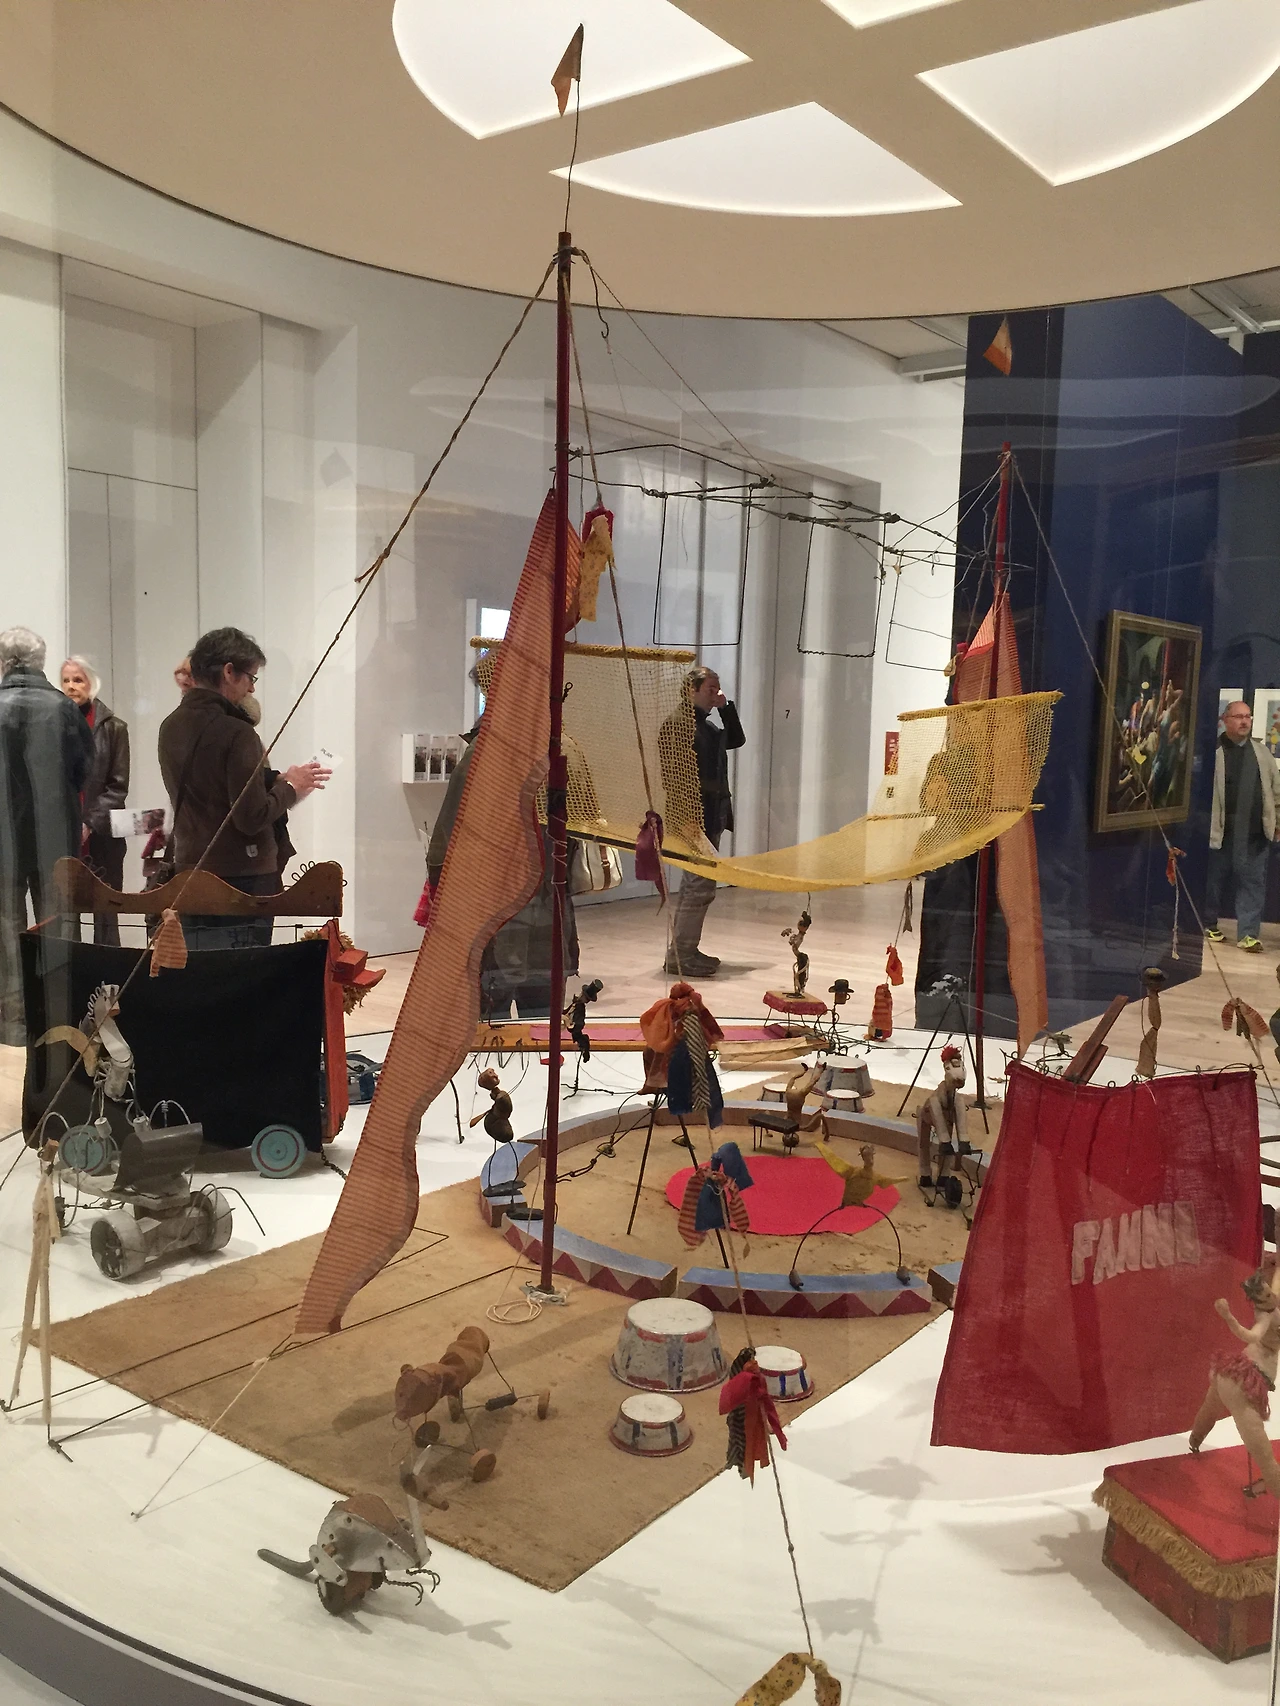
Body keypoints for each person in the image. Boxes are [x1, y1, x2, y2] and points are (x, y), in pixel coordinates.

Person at [157, 626, 329, 949]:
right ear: (228, 672)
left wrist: (271, 780)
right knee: (243, 972)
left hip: (190, 869)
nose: (251, 687)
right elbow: (251, 817)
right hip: (242, 878)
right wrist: (291, 787)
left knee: (199, 969)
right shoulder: (237, 732)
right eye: (250, 677)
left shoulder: (170, 726)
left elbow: (210, 785)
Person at [0, 627, 94, 1042]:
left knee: (7, 927)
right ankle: (58, 1015)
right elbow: (83, 771)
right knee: (58, 924)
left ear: (4, 662)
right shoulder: (64, 709)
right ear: (40, 662)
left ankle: (14, 1020)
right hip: (55, 837)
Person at [665, 665, 745, 976]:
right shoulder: (679, 725)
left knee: (696, 886)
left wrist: (726, 708)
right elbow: (674, 778)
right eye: (711, 689)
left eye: (717, 688)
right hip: (694, 818)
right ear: (692, 690)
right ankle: (682, 954)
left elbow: (735, 739)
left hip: (710, 815)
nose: (716, 694)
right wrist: (688, 819)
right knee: (699, 887)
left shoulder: (706, 726)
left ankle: (683, 950)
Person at [60, 655, 130, 945]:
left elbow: (118, 787)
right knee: (67, 915)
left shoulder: (115, 728)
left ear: (91, 683)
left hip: (103, 836)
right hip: (64, 833)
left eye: (78, 680)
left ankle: (110, 969)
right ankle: (74, 968)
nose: (71, 686)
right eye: (66, 680)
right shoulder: (54, 726)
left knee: (106, 916)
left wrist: (89, 823)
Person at [1206, 699, 1280, 952]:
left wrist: (1277, 821)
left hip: (1254, 834)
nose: (1244, 721)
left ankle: (1248, 935)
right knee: (1212, 882)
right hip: (1220, 833)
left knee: (1253, 885)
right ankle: (1208, 924)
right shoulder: (1213, 752)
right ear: (1225, 720)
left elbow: (1276, 790)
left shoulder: (1262, 753)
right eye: (1238, 717)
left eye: (1248, 716)